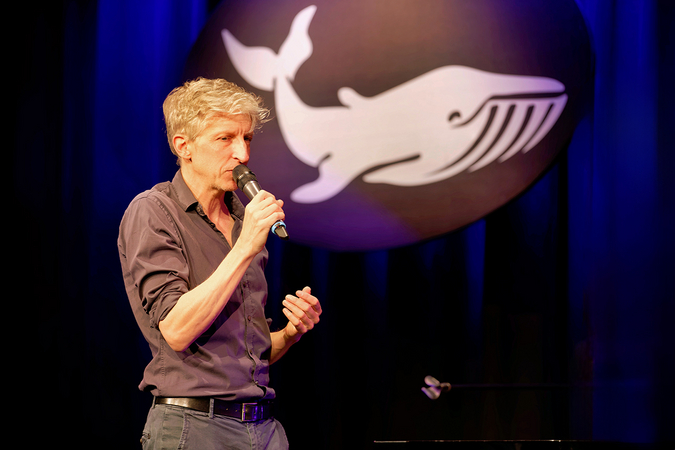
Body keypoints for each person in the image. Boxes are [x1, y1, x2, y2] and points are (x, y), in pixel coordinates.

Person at [117, 77, 322, 449]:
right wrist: (243, 248)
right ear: (184, 146)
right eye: (225, 138)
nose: (242, 154)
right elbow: (177, 330)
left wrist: (291, 333)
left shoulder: (243, 220)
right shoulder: (154, 211)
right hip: (193, 426)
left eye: (247, 138)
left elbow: (250, 355)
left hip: (262, 426)